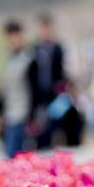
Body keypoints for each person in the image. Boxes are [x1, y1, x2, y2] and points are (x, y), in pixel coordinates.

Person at [28, 12, 66, 149]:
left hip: (54, 94)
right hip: (38, 95)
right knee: (39, 127)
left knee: (54, 126)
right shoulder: (34, 49)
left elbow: (62, 71)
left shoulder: (58, 48)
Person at [0, 19, 32, 157]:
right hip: (10, 113)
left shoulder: (29, 59)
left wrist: (33, 116)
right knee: (11, 154)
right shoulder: (8, 59)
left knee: (15, 154)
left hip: (23, 114)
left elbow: (35, 89)